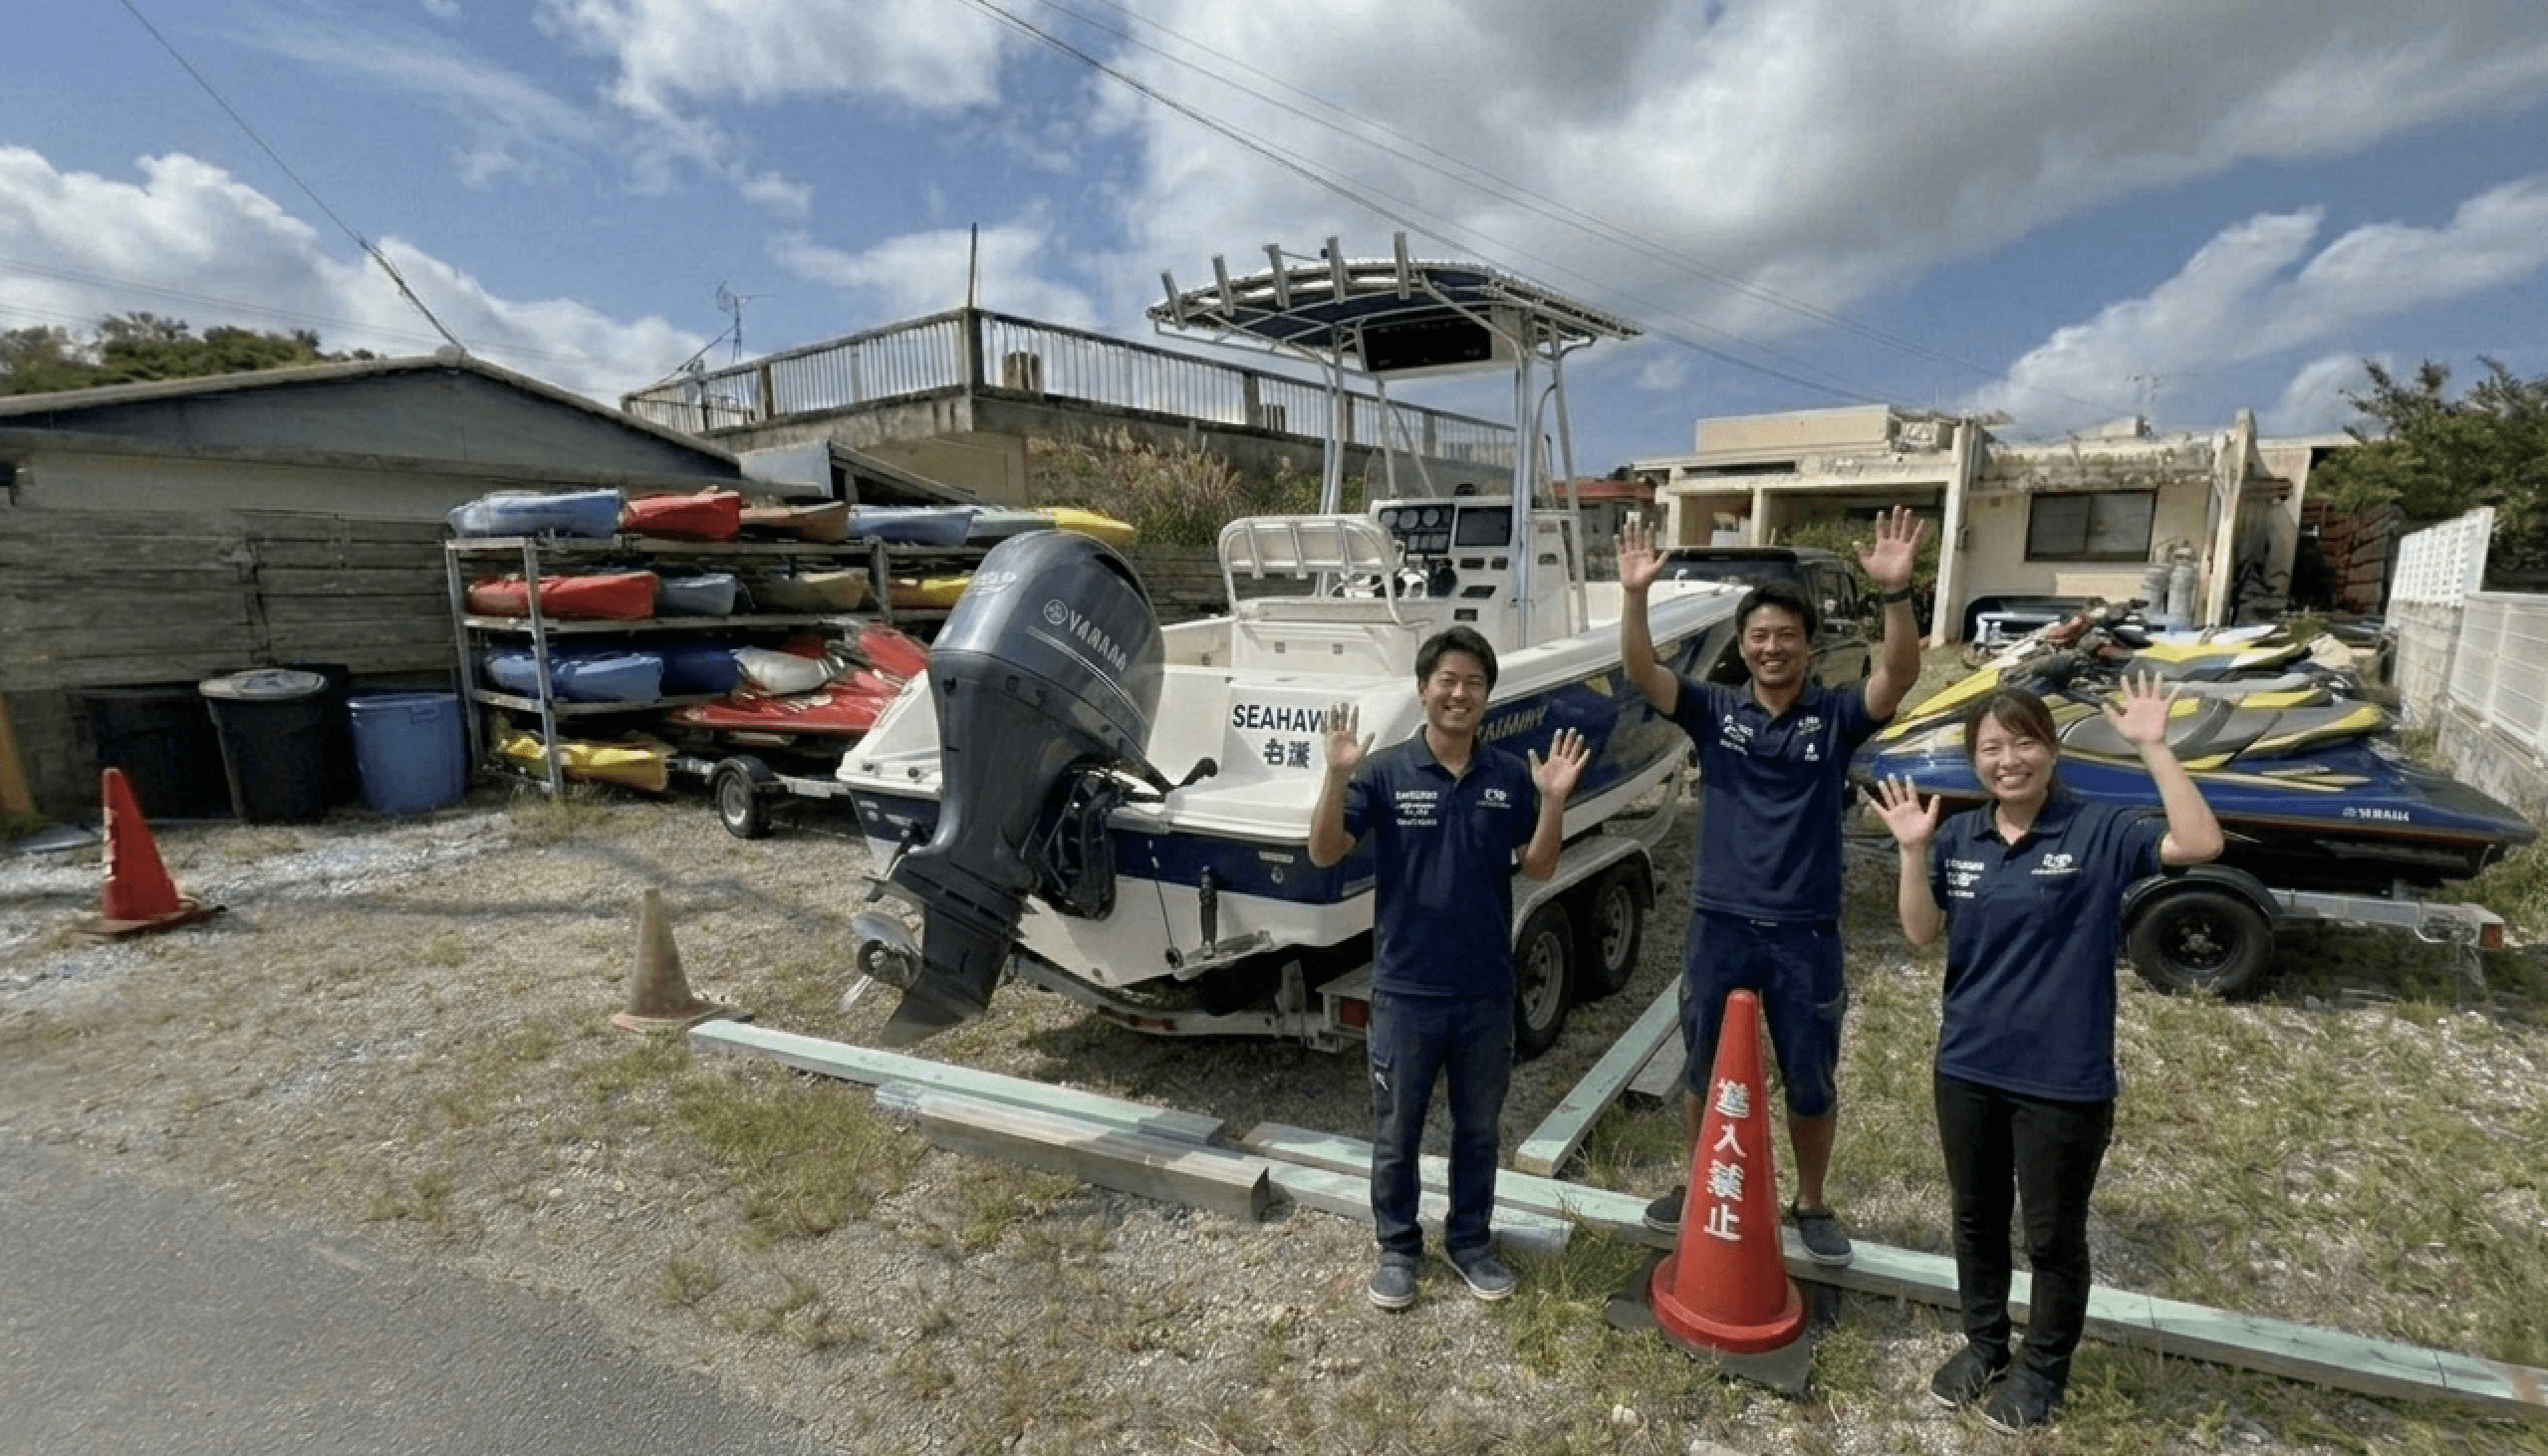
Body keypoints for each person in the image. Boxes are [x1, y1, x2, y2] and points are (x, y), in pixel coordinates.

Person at [1869, 674, 2223, 1431]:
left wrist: (2154, 746)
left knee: (2053, 1235)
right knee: (1976, 1218)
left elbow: (2198, 842)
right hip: (1966, 1065)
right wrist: (1912, 852)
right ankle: (1986, 1345)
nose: (2008, 759)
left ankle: (2043, 1369)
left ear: (2052, 750)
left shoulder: (2098, 831)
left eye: (2024, 741)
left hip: (2063, 1076)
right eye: (1991, 747)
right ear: (1975, 761)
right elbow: (1921, 932)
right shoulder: (1959, 835)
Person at [1616, 507, 1927, 1267]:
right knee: (1701, 1065)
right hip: (1718, 921)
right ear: (1743, 647)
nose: (1772, 646)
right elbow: (1642, 674)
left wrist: (1895, 594)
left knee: (1809, 1075)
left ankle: (1812, 1200)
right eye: (1759, 636)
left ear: (1807, 645)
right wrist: (1634, 597)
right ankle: (1698, 1183)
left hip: (1804, 929)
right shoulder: (1713, 710)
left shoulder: (1834, 716)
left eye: (1786, 634)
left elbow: (1900, 677)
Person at [1308, 624, 1586, 1311]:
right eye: (1448, 681)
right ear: (1425, 688)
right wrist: (1335, 777)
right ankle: (1398, 1248)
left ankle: (1470, 1243)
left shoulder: (1505, 776)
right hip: (1406, 990)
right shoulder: (1383, 772)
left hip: (1487, 990)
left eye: (1474, 683)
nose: (1459, 693)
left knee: (1479, 1130)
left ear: (1487, 696)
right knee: (1396, 1133)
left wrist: (1552, 801)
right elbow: (1324, 852)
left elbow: (1542, 866)